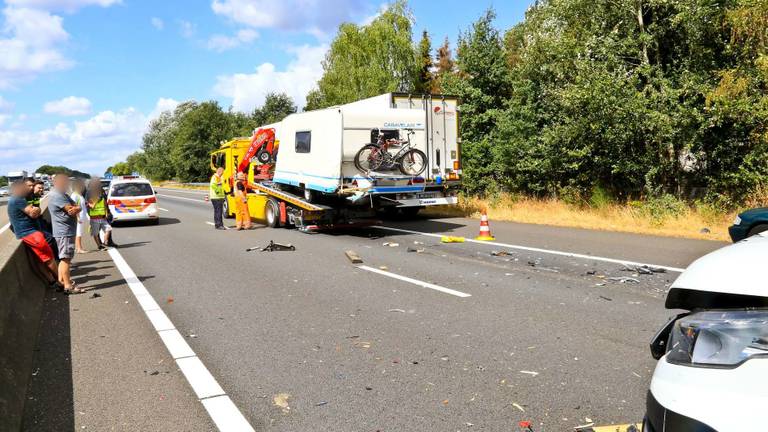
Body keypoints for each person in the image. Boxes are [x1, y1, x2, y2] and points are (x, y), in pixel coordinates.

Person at [6, 180, 60, 289]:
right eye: (24, 187)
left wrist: (35, 209)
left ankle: (52, 281)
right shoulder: (18, 199)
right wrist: (37, 209)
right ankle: (62, 280)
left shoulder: (14, 200)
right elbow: (33, 213)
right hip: (31, 233)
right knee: (49, 258)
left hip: (24, 233)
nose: (27, 189)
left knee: (39, 260)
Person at [48, 174, 85, 294]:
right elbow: (72, 210)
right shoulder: (58, 195)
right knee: (66, 259)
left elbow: (76, 207)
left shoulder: (63, 194)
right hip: (64, 231)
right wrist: (76, 209)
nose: (67, 184)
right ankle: (68, 286)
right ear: (57, 182)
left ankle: (61, 282)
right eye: (64, 182)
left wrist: (77, 208)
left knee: (63, 258)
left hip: (65, 231)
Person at [86, 178, 112, 250]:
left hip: (103, 217)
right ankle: (99, 245)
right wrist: (96, 200)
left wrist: (107, 213)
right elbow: (91, 206)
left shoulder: (102, 197)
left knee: (108, 229)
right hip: (94, 218)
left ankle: (105, 242)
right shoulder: (90, 197)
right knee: (95, 233)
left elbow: (105, 205)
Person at [70, 178, 89, 254]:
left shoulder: (79, 194)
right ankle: (79, 248)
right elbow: (74, 206)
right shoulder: (75, 195)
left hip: (82, 216)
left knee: (79, 232)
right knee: (79, 233)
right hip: (79, 217)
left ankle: (78, 248)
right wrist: (77, 217)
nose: (83, 186)